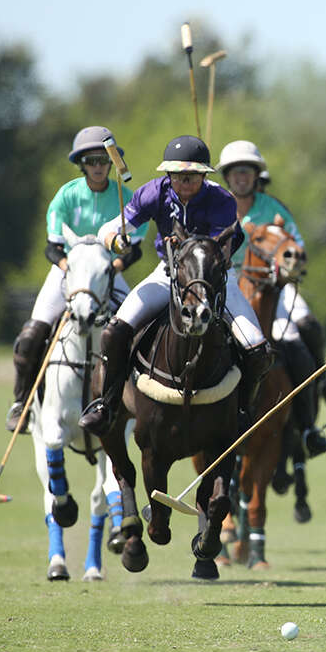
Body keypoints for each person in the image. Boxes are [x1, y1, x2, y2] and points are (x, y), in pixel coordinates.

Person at [78, 135, 272, 437]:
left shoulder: (221, 200)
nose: (185, 182)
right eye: (179, 176)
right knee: (114, 331)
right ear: (168, 174)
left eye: (193, 176)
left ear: (204, 176)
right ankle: (108, 405)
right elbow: (111, 228)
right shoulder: (152, 194)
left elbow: (228, 244)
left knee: (257, 348)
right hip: (166, 275)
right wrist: (116, 240)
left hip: (215, 279)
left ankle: (242, 413)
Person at [5, 126, 148, 433]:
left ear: (111, 163)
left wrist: (115, 265)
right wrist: (71, 267)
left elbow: (135, 248)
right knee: (32, 334)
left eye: (102, 160)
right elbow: (52, 246)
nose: (98, 166)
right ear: (82, 164)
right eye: (91, 160)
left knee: (136, 330)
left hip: (107, 274)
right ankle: (21, 402)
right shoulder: (67, 195)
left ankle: (137, 400)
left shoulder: (126, 198)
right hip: (67, 274)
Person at [215, 139, 326, 458]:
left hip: (272, 287)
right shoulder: (216, 207)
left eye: (247, 171)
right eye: (235, 172)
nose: (241, 178)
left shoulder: (273, 208)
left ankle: (312, 416)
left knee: (304, 330)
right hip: (226, 284)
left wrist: (289, 267)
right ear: (227, 177)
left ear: (256, 175)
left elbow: (297, 248)